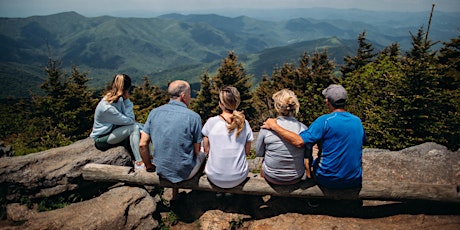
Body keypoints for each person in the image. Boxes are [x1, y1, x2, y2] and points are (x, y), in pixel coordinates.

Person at [261, 84, 366, 192]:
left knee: (314, 161)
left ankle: (312, 195)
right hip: (354, 179)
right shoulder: (357, 121)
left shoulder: (324, 121)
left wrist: (274, 126)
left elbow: (299, 142)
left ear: (327, 101)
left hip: (329, 179)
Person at [139, 80, 206, 199]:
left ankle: (175, 194)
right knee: (202, 154)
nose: (190, 97)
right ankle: (198, 192)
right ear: (184, 96)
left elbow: (142, 144)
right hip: (185, 173)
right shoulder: (194, 117)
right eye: (189, 94)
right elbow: (196, 152)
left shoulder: (154, 113)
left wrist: (148, 165)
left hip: (161, 170)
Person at [202, 86, 253, 189]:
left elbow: (206, 149)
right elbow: (247, 152)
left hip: (214, 176)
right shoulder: (244, 123)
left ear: (221, 104)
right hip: (239, 176)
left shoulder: (211, 122)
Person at [256, 89, 310, 185]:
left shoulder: (267, 127)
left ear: (277, 107)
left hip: (272, 177)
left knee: (264, 160)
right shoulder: (303, 128)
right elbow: (307, 154)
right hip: (296, 177)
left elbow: (259, 152)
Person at [90, 74, 142, 168]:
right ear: (126, 89)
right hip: (102, 139)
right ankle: (139, 162)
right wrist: (127, 101)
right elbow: (130, 120)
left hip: (112, 131)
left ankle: (150, 158)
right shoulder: (107, 107)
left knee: (143, 127)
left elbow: (127, 120)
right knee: (134, 128)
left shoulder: (116, 99)